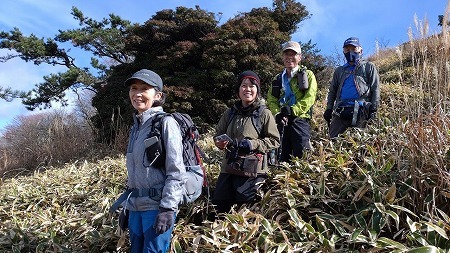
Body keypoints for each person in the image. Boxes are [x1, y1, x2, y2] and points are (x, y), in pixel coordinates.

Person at [123, 69, 185, 252]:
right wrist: (127, 205)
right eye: (134, 88)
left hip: (156, 207)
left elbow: (176, 170)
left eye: (144, 88)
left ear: (157, 95)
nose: (138, 93)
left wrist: (167, 208)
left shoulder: (166, 123)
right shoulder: (135, 128)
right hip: (135, 208)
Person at [211, 70, 280, 218]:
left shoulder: (264, 114)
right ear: (238, 90)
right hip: (228, 168)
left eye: (252, 86)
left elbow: (275, 140)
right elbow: (217, 136)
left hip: (252, 172)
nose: (247, 89)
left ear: (257, 91)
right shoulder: (229, 113)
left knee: (247, 213)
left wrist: (252, 144)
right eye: (244, 85)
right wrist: (220, 143)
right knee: (219, 208)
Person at [267, 41, 318, 162]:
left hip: (299, 120)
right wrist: (277, 114)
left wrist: (293, 110)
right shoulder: (277, 79)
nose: (289, 57)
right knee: (282, 158)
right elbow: (271, 99)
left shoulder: (308, 75)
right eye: (286, 54)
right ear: (282, 57)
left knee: (302, 156)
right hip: (281, 123)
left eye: (293, 54)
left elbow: (310, 97)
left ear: (299, 57)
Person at [323, 37, 380, 138]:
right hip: (340, 111)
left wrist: (373, 109)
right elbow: (332, 91)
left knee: (361, 143)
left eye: (354, 49)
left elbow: (375, 88)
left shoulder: (368, 66)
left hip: (362, 110)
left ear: (360, 50)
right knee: (332, 142)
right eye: (347, 50)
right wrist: (329, 109)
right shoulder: (339, 71)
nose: (350, 52)